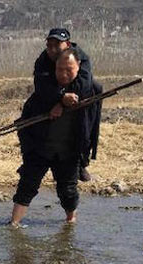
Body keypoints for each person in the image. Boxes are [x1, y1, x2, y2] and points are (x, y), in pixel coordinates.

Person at [10, 48, 99, 227]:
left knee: (68, 191)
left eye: (69, 69)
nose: (64, 74)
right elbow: (25, 123)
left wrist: (86, 153)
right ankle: (13, 224)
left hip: (69, 150)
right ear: (54, 67)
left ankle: (70, 222)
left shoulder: (91, 90)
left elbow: (92, 124)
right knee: (27, 186)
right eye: (60, 69)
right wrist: (56, 103)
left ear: (79, 67)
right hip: (40, 148)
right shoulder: (44, 91)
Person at [32, 28, 102, 181]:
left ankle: (81, 161)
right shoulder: (43, 60)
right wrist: (59, 98)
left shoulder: (80, 57)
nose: (52, 49)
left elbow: (84, 84)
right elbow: (41, 84)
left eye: (57, 45)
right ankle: (34, 160)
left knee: (96, 90)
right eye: (49, 45)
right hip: (52, 97)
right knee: (33, 106)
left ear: (68, 44)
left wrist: (63, 103)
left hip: (78, 98)